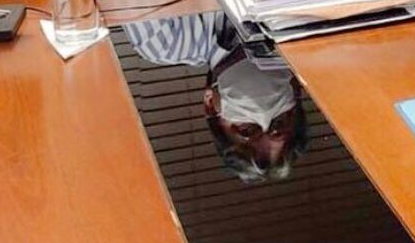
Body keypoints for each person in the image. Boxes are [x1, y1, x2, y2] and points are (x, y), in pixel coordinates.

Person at [123, 11, 308, 183]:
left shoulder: (166, 42)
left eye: (246, 129)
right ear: (296, 89)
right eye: (278, 125)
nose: (263, 114)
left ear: (210, 104)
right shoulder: (304, 19)